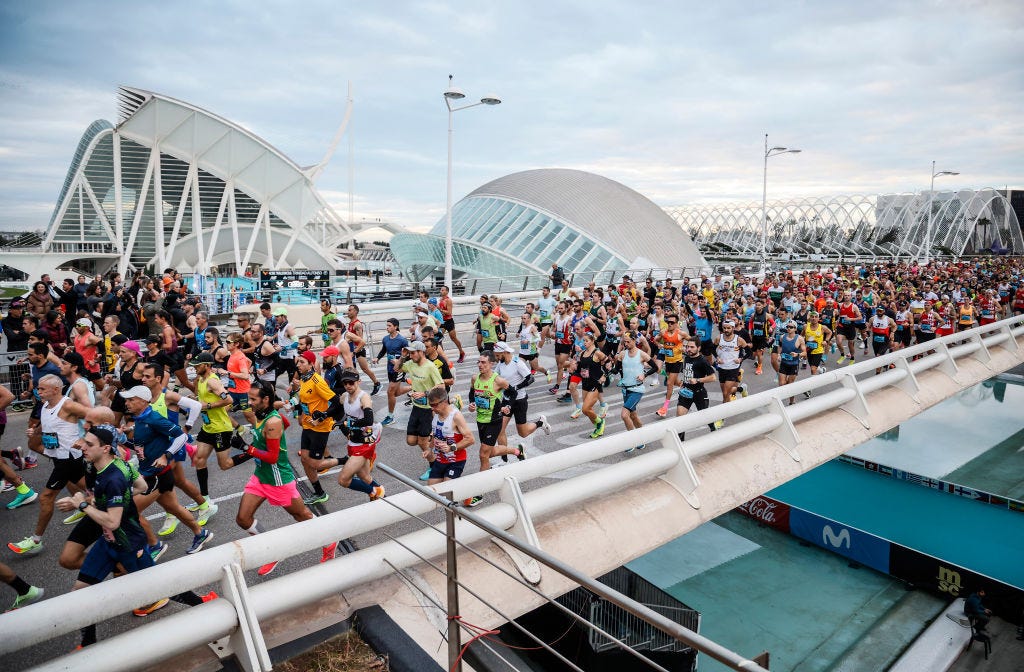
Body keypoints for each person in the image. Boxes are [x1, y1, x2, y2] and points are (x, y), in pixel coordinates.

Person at [55, 427, 214, 645]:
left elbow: (113, 521)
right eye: (84, 441)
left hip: (130, 544)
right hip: (107, 542)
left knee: (160, 586)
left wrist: (83, 504)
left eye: (89, 444)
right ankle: (88, 644)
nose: (82, 446)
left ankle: (202, 605)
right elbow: (141, 485)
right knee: (80, 592)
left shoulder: (114, 477)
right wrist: (110, 500)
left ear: (106, 448)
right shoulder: (109, 465)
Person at [235, 381, 338, 576]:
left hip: (278, 478)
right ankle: (273, 552)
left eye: (253, 399)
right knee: (242, 518)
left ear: (265, 399)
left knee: (302, 516)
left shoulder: (272, 422)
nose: (249, 402)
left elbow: (272, 457)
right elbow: (287, 422)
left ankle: (329, 541)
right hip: (260, 476)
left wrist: (246, 448)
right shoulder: (263, 414)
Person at [120, 385, 213, 560]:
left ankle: (154, 545)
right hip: (151, 472)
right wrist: (124, 439)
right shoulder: (139, 418)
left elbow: (181, 436)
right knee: (174, 508)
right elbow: (140, 447)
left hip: (156, 475)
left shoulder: (154, 418)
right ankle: (201, 533)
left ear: (142, 401)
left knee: (129, 511)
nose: (127, 403)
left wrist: (166, 456)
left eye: (131, 399)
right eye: (127, 400)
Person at [7, 374, 86, 556]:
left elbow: (95, 416)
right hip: (61, 458)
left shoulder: (67, 404)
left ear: (56, 389)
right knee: (94, 490)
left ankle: (35, 540)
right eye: (38, 388)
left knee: (46, 497)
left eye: (42, 389)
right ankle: (119, 509)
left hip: (68, 459)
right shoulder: (45, 405)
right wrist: (36, 430)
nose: (38, 391)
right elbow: (48, 422)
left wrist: (85, 439)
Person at [292, 349, 342, 505]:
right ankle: (319, 493)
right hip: (308, 426)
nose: (298, 365)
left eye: (302, 362)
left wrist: (323, 416)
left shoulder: (316, 381)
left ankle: (346, 460)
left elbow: (337, 402)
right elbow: (304, 401)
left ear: (311, 364)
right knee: (305, 460)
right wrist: (300, 414)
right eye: (297, 362)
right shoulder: (303, 379)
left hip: (320, 428)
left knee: (314, 463)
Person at [334, 369, 386, 501]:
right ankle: (381, 497)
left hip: (364, 443)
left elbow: (368, 420)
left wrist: (348, 423)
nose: (348, 386)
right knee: (365, 478)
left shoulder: (364, 397)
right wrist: (323, 415)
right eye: (345, 383)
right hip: (353, 441)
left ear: (358, 381)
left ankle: (375, 491)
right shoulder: (345, 396)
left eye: (351, 382)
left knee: (343, 479)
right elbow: (335, 409)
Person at [397, 340, 445, 481]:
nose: (411, 355)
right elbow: (397, 369)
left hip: (428, 409)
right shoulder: (410, 364)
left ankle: (433, 467)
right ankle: (432, 437)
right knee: (411, 441)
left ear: (421, 352)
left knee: (422, 442)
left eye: (413, 352)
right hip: (416, 407)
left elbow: (441, 386)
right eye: (410, 353)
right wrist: (403, 356)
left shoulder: (430, 367)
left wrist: (425, 393)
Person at [426, 387, 476, 491]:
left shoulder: (456, 416)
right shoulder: (435, 413)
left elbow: (470, 439)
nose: (432, 408)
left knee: (447, 494)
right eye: (430, 405)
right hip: (440, 460)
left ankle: (467, 492)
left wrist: (451, 448)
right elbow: (435, 433)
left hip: (456, 461)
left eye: (434, 405)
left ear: (444, 402)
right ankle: (463, 491)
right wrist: (428, 450)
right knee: (431, 492)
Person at [616, 331, 654, 452]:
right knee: (633, 415)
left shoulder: (642, 354)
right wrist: (606, 373)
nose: (626, 344)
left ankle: (632, 440)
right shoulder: (622, 354)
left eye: (628, 341)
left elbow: (656, 367)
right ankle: (642, 437)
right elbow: (616, 369)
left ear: (634, 340)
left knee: (624, 415)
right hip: (626, 389)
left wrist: (644, 374)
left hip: (637, 389)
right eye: (624, 342)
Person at [675, 339, 718, 440]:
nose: (688, 349)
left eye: (692, 347)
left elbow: (713, 377)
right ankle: (681, 443)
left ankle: (713, 430)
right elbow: (688, 372)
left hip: (699, 394)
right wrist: (683, 382)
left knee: (705, 417)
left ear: (698, 348)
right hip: (685, 393)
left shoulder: (702, 361)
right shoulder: (687, 357)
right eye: (687, 347)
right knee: (680, 419)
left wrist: (698, 380)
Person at [373, 318, 409, 426]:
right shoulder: (385, 339)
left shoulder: (402, 340)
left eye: (389, 326)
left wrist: (399, 362)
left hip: (399, 369)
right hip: (389, 368)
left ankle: (390, 416)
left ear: (396, 327)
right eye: (387, 325)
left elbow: (409, 355)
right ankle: (415, 387)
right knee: (396, 392)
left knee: (390, 392)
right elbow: (384, 350)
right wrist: (378, 358)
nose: (387, 327)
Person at [344, 304, 381, 395]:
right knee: (352, 369)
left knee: (365, 369)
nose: (348, 312)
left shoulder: (357, 324)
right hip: (352, 350)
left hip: (358, 349)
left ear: (355, 312)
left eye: (350, 310)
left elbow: (360, 340)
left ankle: (377, 383)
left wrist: (355, 351)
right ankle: (354, 388)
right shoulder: (350, 324)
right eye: (348, 310)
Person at [437, 285, 466, 363]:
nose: (441, 291)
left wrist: (440, 310)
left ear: (447, 292)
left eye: (443, 290)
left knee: (453, 338)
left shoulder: (448, 300)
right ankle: (441, 356)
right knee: (438, 338)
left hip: (449, 321)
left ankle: (462, 352)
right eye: (441, 290)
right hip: (442, 322)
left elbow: (449, 312)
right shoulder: (440, 300)